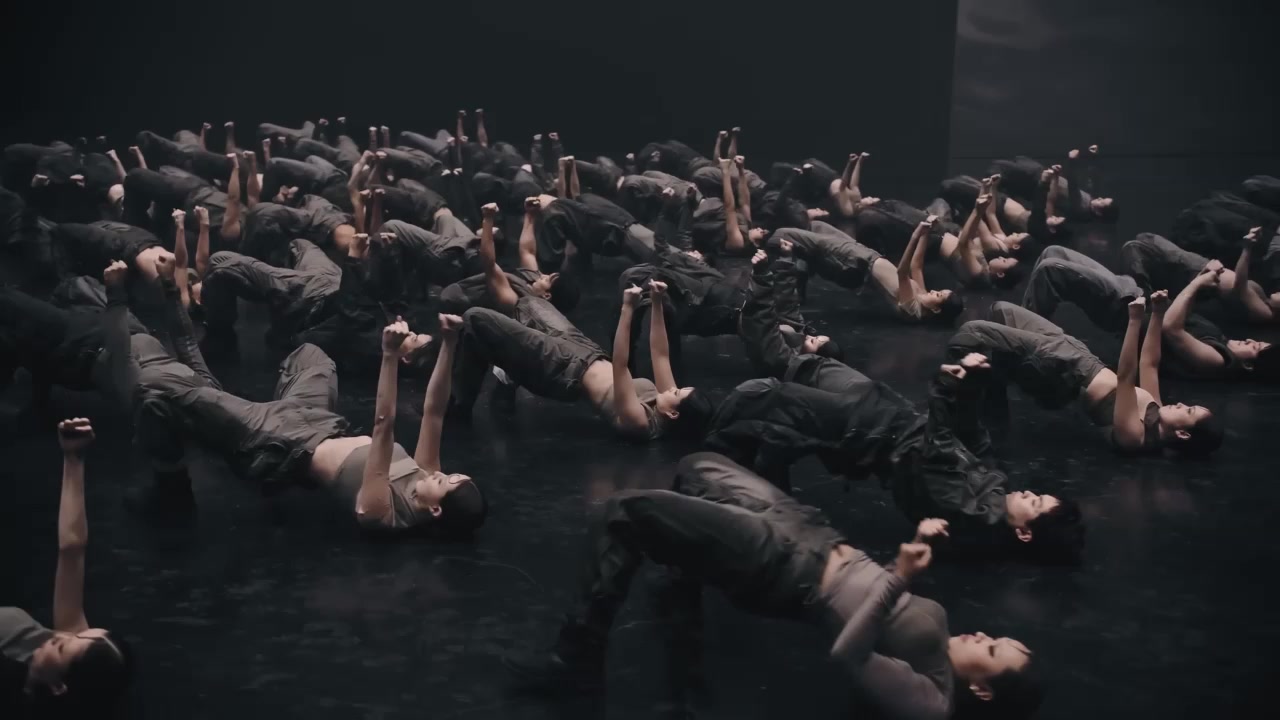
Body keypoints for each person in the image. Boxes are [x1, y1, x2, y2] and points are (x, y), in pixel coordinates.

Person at [503, 452, 1043, 720]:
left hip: (787, 570)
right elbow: (874, 595)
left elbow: (849, 652)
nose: (983, 635)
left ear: (983, 690)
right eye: (997, 637)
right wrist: (909, 555)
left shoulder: (933, 701)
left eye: (993, 650)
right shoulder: (941, 640)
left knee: (626, 511)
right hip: (815, 536)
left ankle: (576, 661)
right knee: (698, 467)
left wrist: (900, 577)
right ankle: (683, 581)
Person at [103, 254, 486, 536]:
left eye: (446, 481)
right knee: (313, 355)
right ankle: (217, 419)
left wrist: (389, 356)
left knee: (158, 391)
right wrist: (449, 343)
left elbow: (384, 426)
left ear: (436, 510)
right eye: (451, 474)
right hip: (319, 422)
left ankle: (170, 484)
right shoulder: (425, 475)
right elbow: (434, 412)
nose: (441, 473)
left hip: (282, 439)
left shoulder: (381, 512)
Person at [727, 266, 1083, 560]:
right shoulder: (996, 488)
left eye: (1034, 503)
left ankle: (722, 460)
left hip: (869, 431)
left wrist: (946, 388)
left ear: (1024, 533)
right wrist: (971, 385)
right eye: (1036, 495)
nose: (1028, 493)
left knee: (767, 396)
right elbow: (972, 437)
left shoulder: (971, 515)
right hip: (886, 411)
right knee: (809, 367)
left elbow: (935, 456)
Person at [948, 301, 1223, 457]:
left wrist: (1134, 320)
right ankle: (993, 408)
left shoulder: (1135, 437)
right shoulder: (1157, 409)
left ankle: (951, 403)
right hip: (1078, 352)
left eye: (1189, 411)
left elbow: (1127, 376)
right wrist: (1158, 314)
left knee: (972, 332)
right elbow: (1149, 363)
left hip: (1063, 366)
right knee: (1000, 310)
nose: (1182, 404)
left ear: (1183, 433)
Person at [448, 281, 706, 441]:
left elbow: (620, 366)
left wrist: (627, 309)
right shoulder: (665, 401)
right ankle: (508, 373)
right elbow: (660, 353)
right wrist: (657, 302)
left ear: (673, 414)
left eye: (677, 392)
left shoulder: (640, 422)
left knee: (476, 318)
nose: (672, 388)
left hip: (562, 368)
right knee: (530, 303)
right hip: (585, 349)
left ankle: (459, 407)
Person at [2, 419, 133, 715]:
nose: (60, 634)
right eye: (77, 634)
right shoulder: (64, 653)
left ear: (59, 686)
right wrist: (74, 458)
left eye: (63, 646)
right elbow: (72, 550)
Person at [768, 216, 965, 324]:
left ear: (936, 309)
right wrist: (925, 234)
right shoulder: (922, 295)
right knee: (816, 226)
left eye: (938, 294)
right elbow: (916, 265)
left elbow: (902, 272)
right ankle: (801, 273)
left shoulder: (913, 311)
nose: (934, 290)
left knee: (782, 235)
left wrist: (915, 236)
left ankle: (764, 256)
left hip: (857, 260)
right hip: (865, 254)